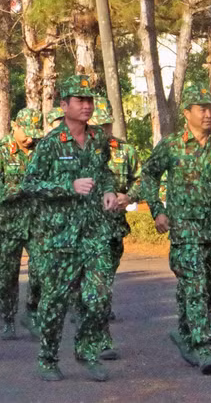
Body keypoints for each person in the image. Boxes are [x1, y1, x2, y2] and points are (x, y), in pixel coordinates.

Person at [136, 83, 211, 375]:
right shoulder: (172, 145)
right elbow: (148, 175)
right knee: (196, 285)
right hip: (184, 229)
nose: (209, 113)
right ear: (187, 113)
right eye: (202, 108)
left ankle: (185, 327)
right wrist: (157, 210)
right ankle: (202, 346)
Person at [20, 75, 120, 382]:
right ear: (64, 106)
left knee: (99, 296)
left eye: (89, 100)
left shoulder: (98, 140)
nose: (87, 106)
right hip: (60, 237)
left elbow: (104, 173)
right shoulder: (50, 144)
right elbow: (30, 184)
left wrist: (109, 191)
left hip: (94, 232)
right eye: (80, 100)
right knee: (56, 301)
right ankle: (48, 358)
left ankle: (86, 351)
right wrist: (67, 185)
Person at [90, 97, 141, 360]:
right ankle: (100, 339)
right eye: (96, 125)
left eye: (106, 125)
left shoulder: (125, 151)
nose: (102, 130)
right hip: (82, 230)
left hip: (112, 229)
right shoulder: (75, 149)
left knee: (104, 280)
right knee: (95, 284)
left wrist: (128, 196)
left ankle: (96, 314)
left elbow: (143, 180)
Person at [0, 107, 44, 340]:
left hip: (37, 222)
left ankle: (31, 312)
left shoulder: (42, 149)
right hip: (8, 224)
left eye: (34, 132)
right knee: (6, 276)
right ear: (14, 125)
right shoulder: (0, 151)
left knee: (42, 270)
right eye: (26, 132)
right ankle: (8, 319)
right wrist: (18, 189)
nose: (30, 138)